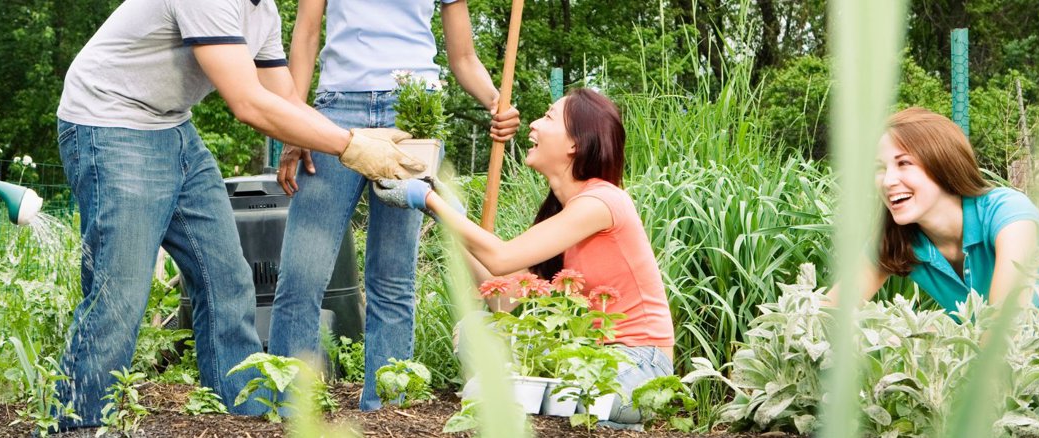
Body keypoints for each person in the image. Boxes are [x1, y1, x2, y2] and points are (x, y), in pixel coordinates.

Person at [53, 0, 428, 430]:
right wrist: (351, 146)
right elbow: (249, 104)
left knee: (227, 281)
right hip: (110, 123)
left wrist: (364, 137)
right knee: (118, 293)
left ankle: (244, 421)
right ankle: (75, 423)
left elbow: (283, 98)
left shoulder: (262, 11)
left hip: (172, 126)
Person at [267, 0, 520, 411]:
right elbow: (307, 33)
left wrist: (496, 100)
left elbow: (464, 55)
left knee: (393, 280)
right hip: (336, 111)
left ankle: (386, 414)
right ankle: (291, 412)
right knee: (301, 275)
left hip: (413, 113)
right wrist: (292, 118)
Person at [374, 88, 676, 427]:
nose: (532, 124)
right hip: (585, 360)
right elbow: (503, 296)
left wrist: (432, 202)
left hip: (638, 367)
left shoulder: (602, 202)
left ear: (575, 143)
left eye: (547, 117)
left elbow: (501, 257)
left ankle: (595, 413)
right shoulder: (562, 214)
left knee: (538, 392)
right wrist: (450, 218)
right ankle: (583, 414)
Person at [826, 107, 1039, 347]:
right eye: (880, 168)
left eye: (904, 163)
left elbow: (1002, 331)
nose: (888, 181)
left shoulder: (1009, 213)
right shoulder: (898, 240)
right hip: (1018, 376)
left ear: (942, 163)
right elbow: (827, 312)